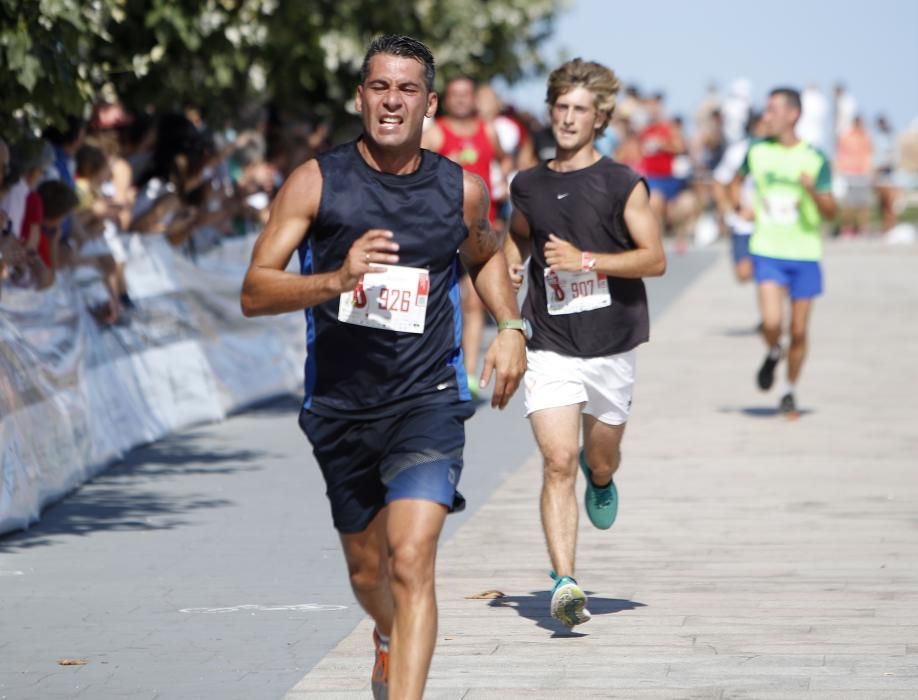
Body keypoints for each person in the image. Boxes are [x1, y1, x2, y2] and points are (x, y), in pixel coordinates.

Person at [240, 35, 526, 699]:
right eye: (379, 87)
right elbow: (256, 290)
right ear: (360, 96)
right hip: (340, 406)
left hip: (427, 399)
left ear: (429, 104)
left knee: (411, 558)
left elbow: (484, 255)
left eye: (407, 89)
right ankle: (387, 634)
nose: (392, 101)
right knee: (371, 574)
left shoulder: (461, 189)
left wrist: (511, 327)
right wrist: (336, 279)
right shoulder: (317, 181)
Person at [504, 58, 665, 627]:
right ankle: (566, 582)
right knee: (557, 459)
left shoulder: (622, 182)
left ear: (599, 118)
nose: (569, 119)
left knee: (596, 457)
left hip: (611, 343)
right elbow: (516, 240)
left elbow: (655, 258)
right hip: (549, 342)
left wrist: (586, 260)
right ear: (550, 111)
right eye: (561, 108)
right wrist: (512, 270)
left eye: (580, 110)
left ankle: (603, 478)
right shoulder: (527, 183)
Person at [731, 87, 837, 416]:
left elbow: (833, 212)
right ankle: (774, 350)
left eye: (773, 110)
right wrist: (742, 204)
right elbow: (733, 181)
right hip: (767, 249)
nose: (767, 116)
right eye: (766, 110)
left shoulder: (815, 157)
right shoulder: (757, 151)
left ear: (793, 114)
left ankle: (789, 390)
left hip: (805, 253)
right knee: (772, 322)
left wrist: (813, 192)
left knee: (800, 331)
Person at [422, 76, 508, 397]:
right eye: (454, 94)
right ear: (446, 99)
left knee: (474, 302)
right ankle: (438, 367)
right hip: (440, 231)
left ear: (474, 98)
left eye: (465, 94)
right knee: (440, 302)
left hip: (480, 229)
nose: (460, 100)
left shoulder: (487, 131)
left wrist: (501, 189)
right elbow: (414, 169)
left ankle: (467, 374)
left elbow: (505, 160)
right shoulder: (436, 133)